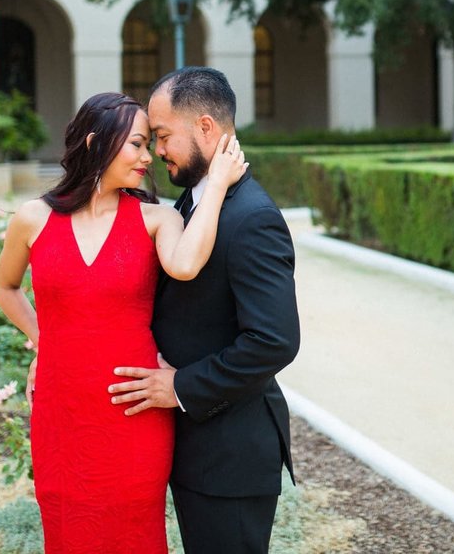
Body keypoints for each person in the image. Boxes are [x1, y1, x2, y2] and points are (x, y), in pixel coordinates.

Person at [0, 91, 246, 553]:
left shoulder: (156, 218)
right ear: (96, 143)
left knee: (134, 530)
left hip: (133, 409)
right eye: (137, 144)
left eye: (150, 144)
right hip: (61, 409)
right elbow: (5, 288)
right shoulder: (32, 218)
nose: (148, 157)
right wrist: (43, 341)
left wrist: (218, 187)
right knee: (68, 527)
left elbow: (186, 265)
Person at [107, 66, 301, 554]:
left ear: (207, 128)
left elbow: (274, 341)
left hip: (230, 458)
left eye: (164, 136)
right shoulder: (192, 204)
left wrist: (180, 387)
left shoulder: (252, 218)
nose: (157, 153)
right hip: (197, 450)